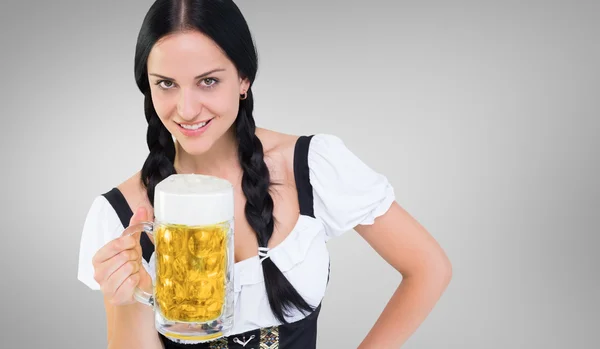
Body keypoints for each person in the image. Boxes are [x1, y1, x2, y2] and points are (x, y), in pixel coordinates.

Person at [76, 0, 452, 348]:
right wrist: (126, 299)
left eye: (208, 81)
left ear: (243, 80)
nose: (186, 109)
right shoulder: (121, 216)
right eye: (166, 84)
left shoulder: (308, 165)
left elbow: (429, 268)